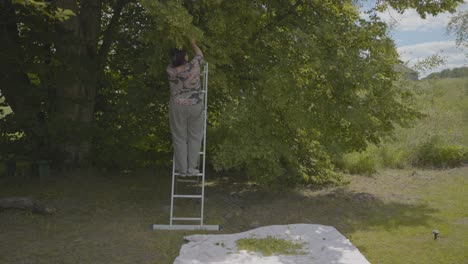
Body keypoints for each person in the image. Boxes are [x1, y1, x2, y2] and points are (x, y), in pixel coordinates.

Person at [166, 39, 204, 175]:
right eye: (186, 54)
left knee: (179, 137)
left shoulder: (170, 70)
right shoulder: (194, 65)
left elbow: (176, 67)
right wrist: (193, 43)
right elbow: (200, 54)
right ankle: (192, 168)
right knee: (195, 136)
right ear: (184, 56)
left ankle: (182, 169)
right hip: (195, 105)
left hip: (177, 107)